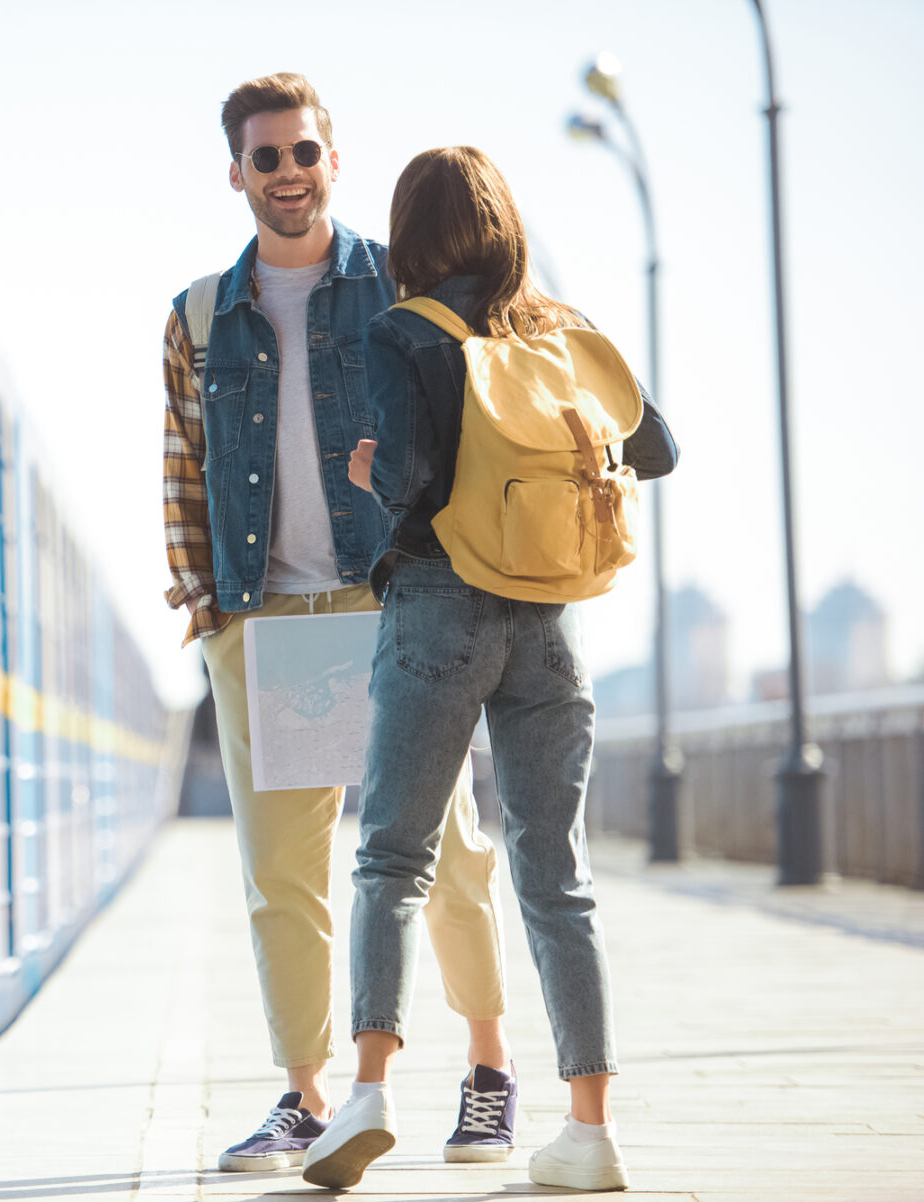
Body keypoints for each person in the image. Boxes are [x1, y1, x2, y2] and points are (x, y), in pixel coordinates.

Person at [300, 145, 679, 1192]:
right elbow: (659, 452)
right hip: (552, 622)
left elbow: (417, 481)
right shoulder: (562, 330)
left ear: (411, 237)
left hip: (439, 609)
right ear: (506, 226)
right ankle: (590, 1127)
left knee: (392, 858)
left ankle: (367, 1094)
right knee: (557, 874)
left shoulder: (405, 329)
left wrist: (375, 473)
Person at [161, 75, 519, 1173]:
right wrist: (206, 601)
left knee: (445, 849)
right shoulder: (196, 314)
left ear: (332, 160)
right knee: (284, 875)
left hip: (392, 598)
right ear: (237, 173)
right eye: (265, 158)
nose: (287, 174)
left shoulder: (397, 287)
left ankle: (489, 1069)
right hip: (266, 615)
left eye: (303, 153)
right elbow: (184, 460)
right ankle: (306, 1095)